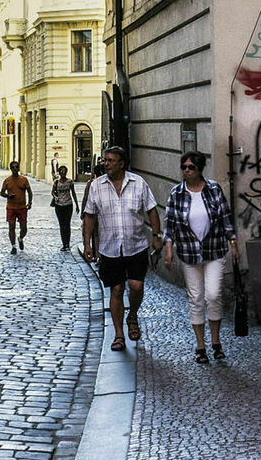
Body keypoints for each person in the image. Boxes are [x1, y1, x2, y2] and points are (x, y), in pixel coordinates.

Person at [83, 146, 161, 351]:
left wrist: (156, 235)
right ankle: (118, 335)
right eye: (104, 160)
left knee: (136, 287)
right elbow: (89, 215)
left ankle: (132, 315)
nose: (105, 164)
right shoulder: (96, 186)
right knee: (116, 289)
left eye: (110, 160)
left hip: (136, 245)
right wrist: (87, 244)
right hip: (109, 248)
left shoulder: (138, 183)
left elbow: (152, 210)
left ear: (121, 163)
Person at [162, 151, 238, 364]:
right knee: (195, 299)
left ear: (199, 169)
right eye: (184, 167)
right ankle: (200, 346)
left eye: (190, 167)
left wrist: (233, 244)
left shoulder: (213, 189)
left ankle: (216, 342)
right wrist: (168, 249)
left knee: (213, 295)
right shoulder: (176, 193)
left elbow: (225, 218)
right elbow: (170, 224)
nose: (186, 170)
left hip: (214, 250)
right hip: (188, 253)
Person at [0, 161, 32, 253]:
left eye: (16, 167)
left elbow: (29, 192)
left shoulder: (24, 180)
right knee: (11, 227)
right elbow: (2, 193)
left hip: (22, 207)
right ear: (10, 169)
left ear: (18, 168)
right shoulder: (7, 180)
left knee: (24, 228)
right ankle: (13, 247)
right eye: (13, 167)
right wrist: (8, 196)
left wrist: (30, 203)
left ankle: (20, 238)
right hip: (11, 207)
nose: (15, 169)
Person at [51, 164, 79, 252]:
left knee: (67, 225)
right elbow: (52, 192)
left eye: (64, 171)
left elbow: (73, 193)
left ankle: (67, 243)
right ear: (59, 172)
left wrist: (77, 205)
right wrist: (55, 197)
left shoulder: (70, 181)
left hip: (68, 205)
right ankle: (64, 244)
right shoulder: (56, 182)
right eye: (61, 171)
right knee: (62, 225)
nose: (63, 173)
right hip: (59, 206)